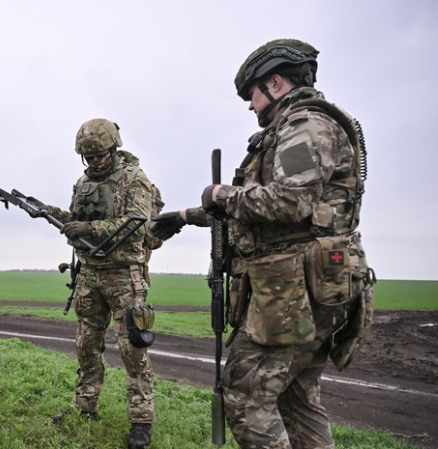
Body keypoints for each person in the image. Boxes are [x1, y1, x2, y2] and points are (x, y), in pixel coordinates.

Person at [152, 39, 375, 448]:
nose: (250, 106)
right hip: (307, 288)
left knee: (244, 391)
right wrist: (185, 217)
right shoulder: (294, 128)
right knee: (295, 398)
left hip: (294, 293)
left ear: (275, 82)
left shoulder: (305, 125)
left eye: (251, 94)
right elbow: (264, 210)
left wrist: (220, 195)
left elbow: (290, 202)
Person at [40, 118, 161, 449]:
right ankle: (85, 407)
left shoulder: (135, 180)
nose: (94, 162)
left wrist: (89, 230)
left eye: (99, 156)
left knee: (132, 349)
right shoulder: (82, 183)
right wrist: (50, 213)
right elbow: (78, 221)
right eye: (88, 157)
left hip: (124, 275)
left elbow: (135, 224)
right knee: (86, 345)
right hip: (89, 275)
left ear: (113, 148)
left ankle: (141, 421)